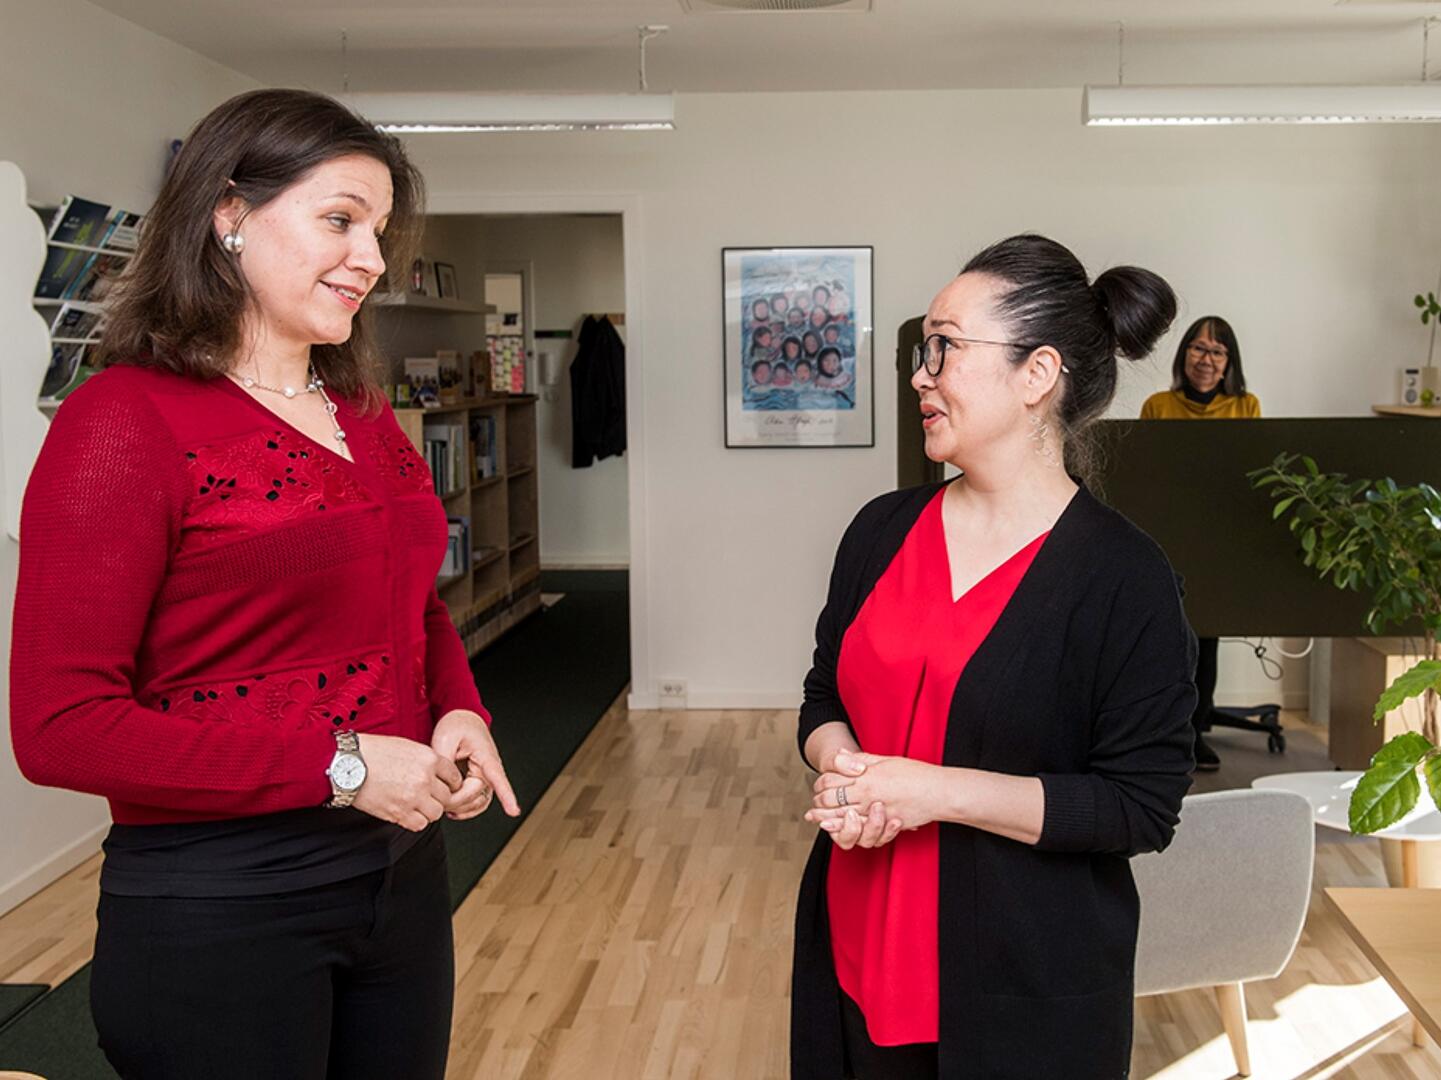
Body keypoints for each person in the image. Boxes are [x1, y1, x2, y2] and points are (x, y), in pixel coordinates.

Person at [9, 88, 522, 1080]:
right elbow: (60, 727)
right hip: (224, 907)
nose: (372, 258)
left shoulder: (361, 409)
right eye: (340, 220)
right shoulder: (121, 421)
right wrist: (344, 766)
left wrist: (457, 710)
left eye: (379, 231)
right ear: (229, 213)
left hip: (400, 880)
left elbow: (409, 602)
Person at [792, 234, 1196, 1079]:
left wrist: (929, 793)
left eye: (944, 347)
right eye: (921, 350)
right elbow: (823, 695)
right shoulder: (878, 531)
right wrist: (846, 770)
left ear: (1036, 374)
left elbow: (1138, 807)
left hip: (1023, 990)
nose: (920, 375)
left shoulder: (1125, 577)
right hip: (851, 950)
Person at [1139, 315, 1260, 770]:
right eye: (1198, 348)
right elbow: (1147, 474)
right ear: (1184, 353)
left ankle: (1195, 732)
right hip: (1166, 536)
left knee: (1207, 638)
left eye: (1217, 351)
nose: (1206, 360)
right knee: (1166, 638)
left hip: (1220, 539)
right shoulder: (1158, 406)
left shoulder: (1246, 406)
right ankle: (1161, 732)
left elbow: (1252, 473)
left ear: (1229, 362)